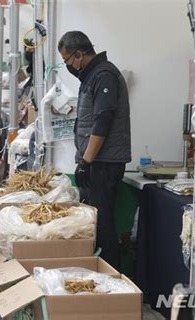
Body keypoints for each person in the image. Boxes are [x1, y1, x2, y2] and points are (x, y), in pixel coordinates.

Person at [58, 31, 131, 269]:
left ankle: (110, 277)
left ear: (79, 54)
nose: (68, 66)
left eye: (68, 61)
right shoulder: (92, 76)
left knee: (102, 223)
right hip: (96, 161)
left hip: (104, 162)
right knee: (95, 221)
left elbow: (103, 120)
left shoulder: (104, 75)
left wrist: (86, 162)